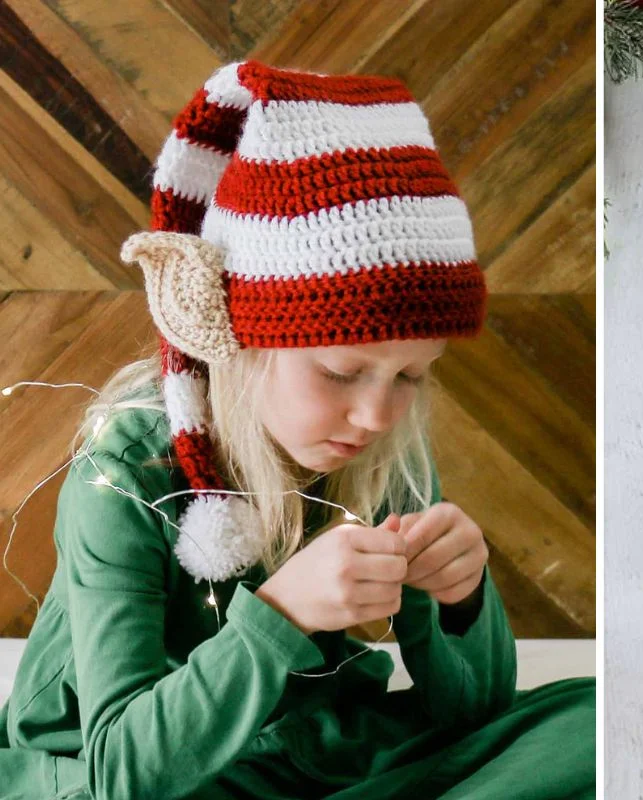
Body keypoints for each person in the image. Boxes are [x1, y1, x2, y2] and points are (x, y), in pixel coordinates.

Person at [0, 59, 595, 800]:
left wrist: (464, 601)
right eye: (342, 373)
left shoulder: (385, 455)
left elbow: (475, 714)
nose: (376, 415)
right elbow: (124, 773)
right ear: (240, 343)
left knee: (597, 722)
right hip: (143, 772)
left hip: (311, 753)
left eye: (410, 377)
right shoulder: (124, 472)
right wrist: (281, 616)